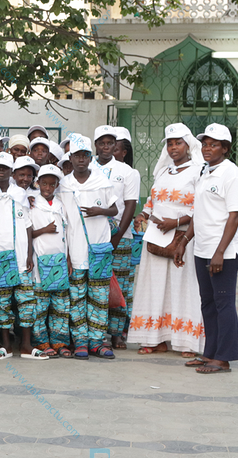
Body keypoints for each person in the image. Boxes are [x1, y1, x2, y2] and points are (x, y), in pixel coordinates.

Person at [174, 123, 238, 374]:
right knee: (208, 302)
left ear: (225, 148)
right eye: (205, 144)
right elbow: (199, 212)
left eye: (214, 145)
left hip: (224, 251)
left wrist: (220, 252)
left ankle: (224, 358)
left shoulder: (231, 174)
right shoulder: (204, 171)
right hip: (202, 248)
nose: (207, 148)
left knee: (223, 303)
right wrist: (184, 241)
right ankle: (210, 353)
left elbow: (234, 216)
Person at [128, 123, 204, 357]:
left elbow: (202, 207)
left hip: (184, 237)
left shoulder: (198, 171)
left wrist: (177, 221)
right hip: (156, 236)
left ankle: (186, 342)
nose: (173, 148)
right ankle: (155, 339)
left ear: (188, 145)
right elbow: (153, 201)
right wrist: (142, 214)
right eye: (170, 144)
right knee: (154, 285)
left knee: (183, 285)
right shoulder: (162, 171)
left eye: (178, 143)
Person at [57, 134, 118, 360]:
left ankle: (97, 342)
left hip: (99, 249)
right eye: (77, 156)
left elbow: (115, 210)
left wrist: (100, 211)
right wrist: (66, 255)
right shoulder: (64, 184)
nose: (81, 159)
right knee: (77, 297)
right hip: (75, 249)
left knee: (99, 298)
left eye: (85, 155)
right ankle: (81, 341)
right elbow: (62, 220)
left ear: (90, 157)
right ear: (70, 158)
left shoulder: (102, 181)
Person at [0, 153, 39, 360]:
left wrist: (29, 254)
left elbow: (27, 225)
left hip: (21, 257)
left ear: (11, 172)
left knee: (26, 301)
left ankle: (25, 345)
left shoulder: (20, 194)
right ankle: (6, 346)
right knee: (2, 302)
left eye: (5, 168)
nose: (1, 171)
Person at [93, 125, 140, 350]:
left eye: (110, 143)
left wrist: (118, 235)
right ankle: (96, 331)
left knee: (119, 285)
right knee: (96, 284)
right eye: (101, 143)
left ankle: (116, 333)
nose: (106, 147)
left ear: (115, 146)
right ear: (96, 145)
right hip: (93, 236)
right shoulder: (87, 167)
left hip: (122, 236)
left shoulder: (127, 172)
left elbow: (130, 204)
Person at [28, 164, 72, 358]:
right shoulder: (32, 204)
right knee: (40, 306)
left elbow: (66, 235)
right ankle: (42, 341)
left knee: (60, 306)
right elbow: (27, 233)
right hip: (40, 262)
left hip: (59, 261)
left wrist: (68, 259)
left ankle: (60, 342)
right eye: (44, 183)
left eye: (51, 184)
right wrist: (44, 230)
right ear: (38, 183)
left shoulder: (61, 205)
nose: (47, 187)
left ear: (56, 185)